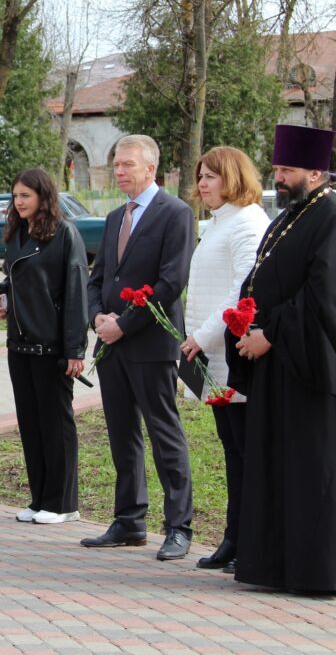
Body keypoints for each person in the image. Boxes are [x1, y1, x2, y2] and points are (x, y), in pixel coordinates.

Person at [228, 124, 336, 593]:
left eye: (287, 170)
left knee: (314, 466)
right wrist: (246, 320)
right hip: (281, 360)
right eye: (277, 168)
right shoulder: (292, 215)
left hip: (316, 363)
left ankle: (321, 570)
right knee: (280, 464)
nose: (278, 178)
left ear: (317, 172)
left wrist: (271, 334)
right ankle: (278, 564)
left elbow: (328, 299)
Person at [83, 134, 195, 560]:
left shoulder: (176, 214)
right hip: (112, 346)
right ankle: (130, 520)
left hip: (150, 344)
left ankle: (179, 526)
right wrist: (97, 318)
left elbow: (171, 283)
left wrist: (124, 326)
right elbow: (99, 279)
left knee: (164, 433)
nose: (119, 170)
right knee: (122, 435)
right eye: (116, 163)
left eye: (128, 164)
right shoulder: (115, 217)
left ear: (151, 169)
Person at [178, 148, 269, 572]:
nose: (202, 183)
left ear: (232, 177)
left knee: (247, 452)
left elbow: (242, 290)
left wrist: (202, 334)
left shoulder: (248, 223)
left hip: (232, 355)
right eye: (200, 176)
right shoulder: (219, 223)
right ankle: (235, 538)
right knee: (232, 450)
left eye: (211, 176)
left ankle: (251, 540)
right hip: (211, 357)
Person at [0, 168, 88, 526]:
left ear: (43, 196)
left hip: (52, 347)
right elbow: (14, 280)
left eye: (25, 195)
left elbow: (76, 294)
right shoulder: (18, 233)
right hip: (19, 344)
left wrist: (75, 350)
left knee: (56, 425)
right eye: (15, 196)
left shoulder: (65, 234)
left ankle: (63, 503)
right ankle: (40, 498)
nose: (18, 202)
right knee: (31, 424)